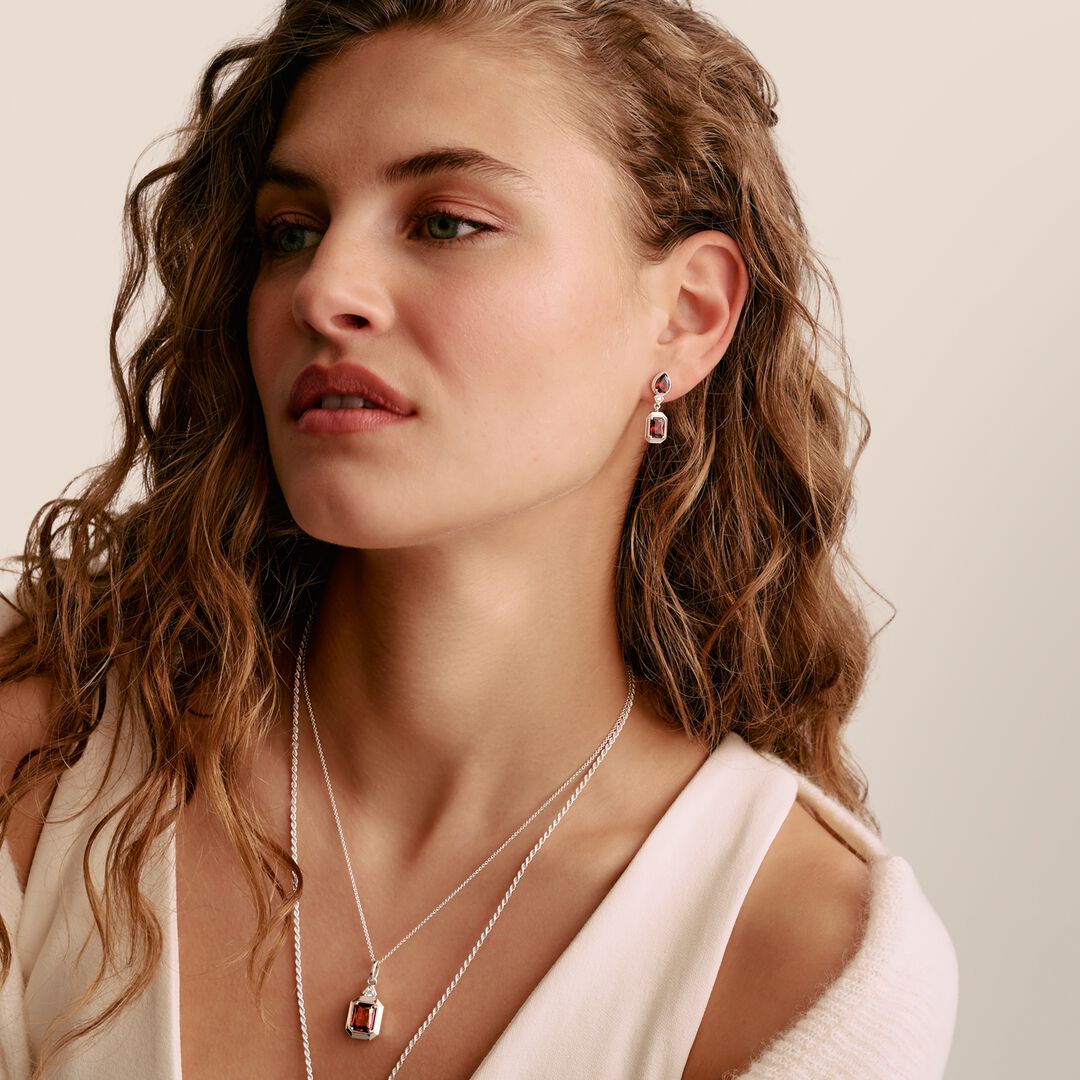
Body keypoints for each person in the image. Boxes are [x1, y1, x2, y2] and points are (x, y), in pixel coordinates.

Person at [0, 1, 959, 1078]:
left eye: (445, 221)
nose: (325, 291)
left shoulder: (801, 955)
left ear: (688, 314)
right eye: (291, 231)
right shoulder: (37, 778)